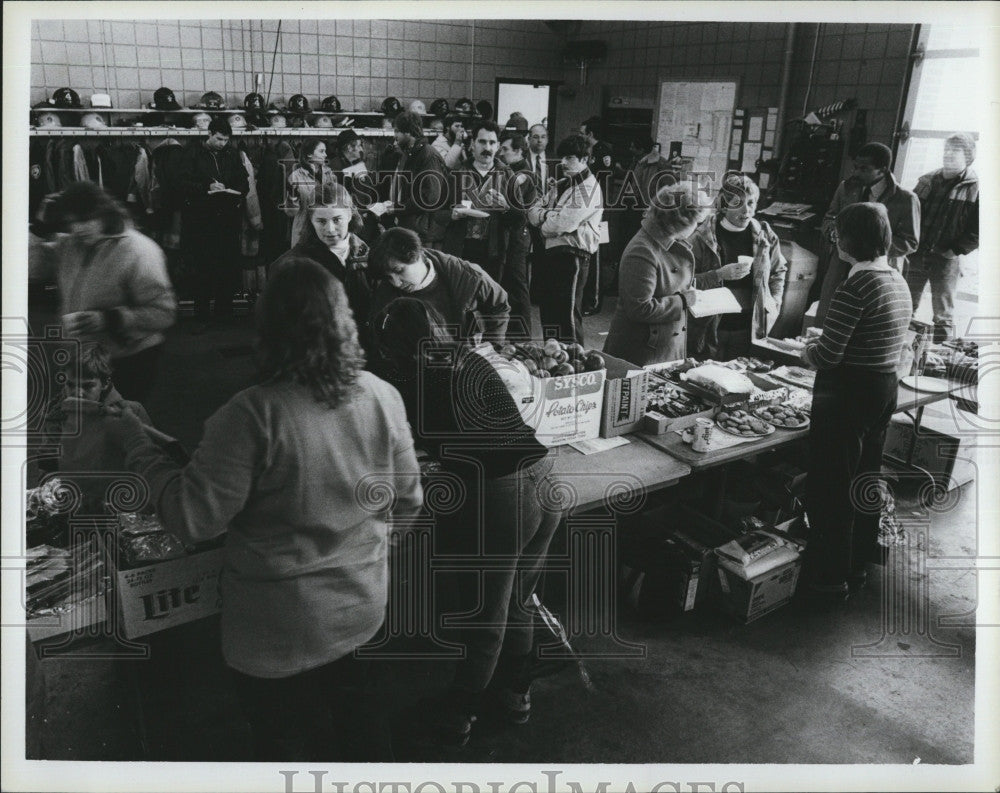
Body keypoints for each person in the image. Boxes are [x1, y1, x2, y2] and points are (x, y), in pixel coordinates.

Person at [105, 259, 423, 760]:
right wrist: (370, 553)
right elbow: (408, 500)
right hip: (361, 611)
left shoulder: (250, 415)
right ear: (345, 320)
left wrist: (135, 445)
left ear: (267, 328)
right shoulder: (383, 396)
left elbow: (193, 517)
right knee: (362, 734)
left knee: (284, 748)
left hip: (275, 635)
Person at [370, 297, 559, 747]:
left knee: (487, 615)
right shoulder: (467, 357)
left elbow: (409, 450)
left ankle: (458, 715)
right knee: (520, 600)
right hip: (546, 478)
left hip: (508, 494)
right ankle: (516, 696)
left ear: (394, 349)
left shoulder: (418, 383)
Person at [800, 203, 913, 601]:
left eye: (837, 233)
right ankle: (858, 564)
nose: (833, 239)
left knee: (832, 488)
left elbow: (829, 356)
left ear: (849, 241)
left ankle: (827, 581)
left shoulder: (855, 286)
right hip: (883, 388)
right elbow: (887, 341)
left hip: (847, 393)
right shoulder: (897, 280)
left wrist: (809, 349)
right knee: (865, 479)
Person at [34, 182, 176, 401]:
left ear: (105, 213)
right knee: (91, 426)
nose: (79, 228)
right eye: (73, 221)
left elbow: (164, 312)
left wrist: (110, 319)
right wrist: (39, 227)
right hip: (83, 358)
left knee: (124, 425)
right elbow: (32, 268)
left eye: (86, 219)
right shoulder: (70, 245)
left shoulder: (139, 250)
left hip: (129, 359)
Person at [604, 183, 710, 365]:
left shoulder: (666, 241)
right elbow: (639, 308)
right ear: (681, 221)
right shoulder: (643, 251)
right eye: (696, 222)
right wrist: (683, 301)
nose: (697, 227)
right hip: (641, 350)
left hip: (663, 346)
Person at [816, 142, 919, 324]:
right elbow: (829, 218)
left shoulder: (906, 199)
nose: (856, 173)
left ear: (883, 170)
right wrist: (832, 231)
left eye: (864, 168)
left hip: (878, 271)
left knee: (866, 323)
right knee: (829, 318)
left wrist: (872, 247)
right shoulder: (846, 188)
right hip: (841, 266)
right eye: (855, 167)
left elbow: (910, 242)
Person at [687, 172, 788, 359]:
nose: (746, 211)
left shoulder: (765, 234)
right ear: (723, 206)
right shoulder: (701, 238)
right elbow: (685, 283)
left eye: (750, 203)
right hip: (709, 328)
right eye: (737, 203)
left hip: (748, 327)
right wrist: (718, 274)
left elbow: (778, 271)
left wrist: (774, 302)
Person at [271, 182, 375, 354]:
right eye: (321, 221)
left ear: (350, 214)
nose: (330, 229)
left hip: (365, 354)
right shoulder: (291, 266)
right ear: (310, 220)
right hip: (319, 359)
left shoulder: (368, 255)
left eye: (337, 219)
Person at [368, 227, 510, 345]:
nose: (396, 283)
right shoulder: (385, 293)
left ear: (417, 255)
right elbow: (378, 335)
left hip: (465, 357)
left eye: (399, 271)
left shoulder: (468, 276)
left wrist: (492, 346)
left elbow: (500, 306)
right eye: (388, 277)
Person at [526, 134, 603, 346]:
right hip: (552, 255)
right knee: (549, 313)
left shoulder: (588, 188)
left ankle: (576, 365)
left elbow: (562, 225)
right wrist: (546, 217)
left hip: (573, 257)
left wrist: (545, 218)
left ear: (584, 160)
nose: (563, 162)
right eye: (562, 157)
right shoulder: (562, 184)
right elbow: (532, 211)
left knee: (566, 316)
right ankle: (553, 360)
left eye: (570, 157)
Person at [178, 116, 249, 331]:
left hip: (227, 219)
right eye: (218, 139)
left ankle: (224, 314)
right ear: (209, 134)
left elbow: (244, 182)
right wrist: (206, 187)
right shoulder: (191, 154)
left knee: (227, 267)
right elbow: (181, 182)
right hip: (201, 220)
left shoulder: (233, 154)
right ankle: (201, 314)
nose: (222, 144)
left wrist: (230, 188)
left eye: (226, 140)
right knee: (202, 268)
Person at [907, 132, 979, 341]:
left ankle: (939, 357)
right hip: (916, 253)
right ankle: (901, 351)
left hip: (946, 258)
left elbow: (979, 229)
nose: (948, 153)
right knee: (905, 306)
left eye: (955, 150)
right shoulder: (926, 180)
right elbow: (908, 213)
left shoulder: (976, 188)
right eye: (946, 149)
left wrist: (955, 250)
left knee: (943, 314)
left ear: (968, 156)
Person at [442, 120, 513, 284]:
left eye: (492, 142)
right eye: (482, 141)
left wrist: (506, 208)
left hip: (493, 252)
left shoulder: (508, 176)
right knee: (460, 302)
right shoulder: (456, 174)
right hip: (460, 250)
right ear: (472, 144)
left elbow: (520, 219)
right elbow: (436, 214)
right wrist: (450, 215)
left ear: (498, 146)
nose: (487, 148)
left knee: (489, 302)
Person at [389, 110, 451, 246]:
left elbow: (429, 197)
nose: (395, 136)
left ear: (408, 132)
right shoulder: (412, 154)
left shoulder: (428, 155)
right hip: (414, 229)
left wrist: (398, 208)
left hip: (424, 234)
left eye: (397, 131)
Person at [497, 132, 537, 337]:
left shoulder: (523, 175)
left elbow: (514, 185)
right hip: (512, 234)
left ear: (519, 151)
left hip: (518, 235)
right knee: (511, 284)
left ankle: (523, 337)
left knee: (517, 284)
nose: (501, 153)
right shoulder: (514, 171)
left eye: (505, 149)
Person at [580, 116, 616, 315]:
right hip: (593, 209)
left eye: (582, 132)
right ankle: (588, 298)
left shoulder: (603, 152)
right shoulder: (595, 151)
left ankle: (593, 301)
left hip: (601, 213)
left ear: (590, 134)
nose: (580, 136)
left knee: (597, 255)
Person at [329, 128, 385, 244]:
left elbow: (367, 191)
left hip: (365, 222)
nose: (361, 149)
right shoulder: (335, 167)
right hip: (348, 224)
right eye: (359, 146)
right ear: (349, 147)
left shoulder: (358, 164)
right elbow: (337, 198)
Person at [285, 139, 337, 247]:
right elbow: (290, 213)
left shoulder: (329, 174)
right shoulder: (295, 177)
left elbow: (336, 203)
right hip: (304, 233)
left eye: (325, 151)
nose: (325, 155)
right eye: (321, 151)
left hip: (326, 231)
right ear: (309, 154)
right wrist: (292, 197)